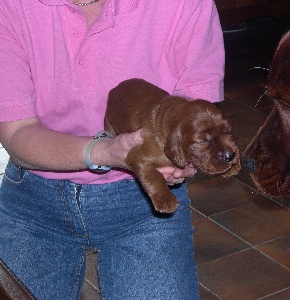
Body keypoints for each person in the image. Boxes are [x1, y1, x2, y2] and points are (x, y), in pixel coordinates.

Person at [0, 0, 224, 299]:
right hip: (34, 202)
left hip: (144, 203)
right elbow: (17, 135)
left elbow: (194, 115)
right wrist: (107, 152)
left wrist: (182, 161)